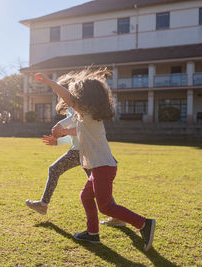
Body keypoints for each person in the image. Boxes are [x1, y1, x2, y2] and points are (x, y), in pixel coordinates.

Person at [34, 69, 155, 251]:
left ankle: (144, 224)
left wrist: (50, 83)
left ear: (85, 98)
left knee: (106, 206)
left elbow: (69, 99)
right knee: (86, 196)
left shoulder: (86, 113)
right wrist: (62, 132)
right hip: (101, 166)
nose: (74, 99)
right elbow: (78, 131)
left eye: (76, 95)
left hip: (102, 167)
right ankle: (92, 234)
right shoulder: (89, 117)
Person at [26, 74, 126, 226]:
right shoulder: (78, 107)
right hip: (83, 149)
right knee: (95, 184)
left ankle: (43, 204)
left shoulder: (79, 107)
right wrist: (59, 142)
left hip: (82, 151)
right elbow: (78, 133)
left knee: (57, 170)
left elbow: (77, 128)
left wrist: (61, 127)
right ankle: (115, 216)